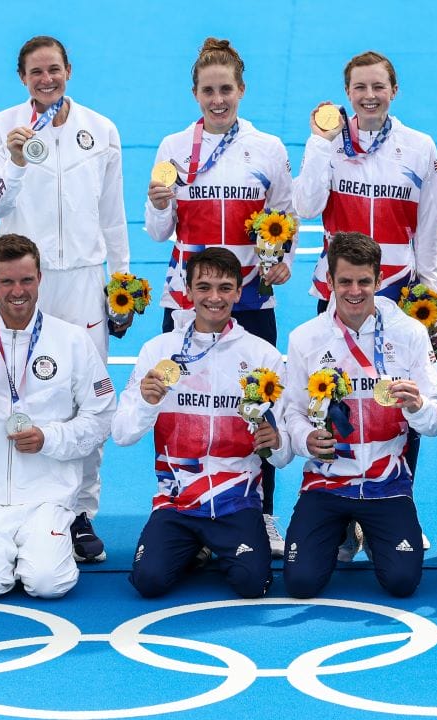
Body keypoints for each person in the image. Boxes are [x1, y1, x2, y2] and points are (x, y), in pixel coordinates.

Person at [0, 35, 130, 561]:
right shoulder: (1, 128)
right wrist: (17, 161)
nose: (47, 80)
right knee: (8, 389)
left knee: (88, 394)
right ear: (22, 78)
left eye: (55, 70)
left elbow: (112, 213)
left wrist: (122, 280)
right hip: (25, 281)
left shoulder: (100, 129)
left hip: (85, 280)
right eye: (36, 72)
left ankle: (81, 511)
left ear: (69, 70)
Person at [144, 37, 294, 557]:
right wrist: (161, 205)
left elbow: (285, 218)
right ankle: (177, 502)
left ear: (242, 89)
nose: (218, 100)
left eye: (226, 89)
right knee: (179, 406)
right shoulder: (171, 149)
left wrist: (282, 262)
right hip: (186, 302)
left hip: (252, 300)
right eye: (208, 91)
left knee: (259, 409)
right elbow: (157, 231)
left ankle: (263, 512)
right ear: (194, 93)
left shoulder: (268, 149)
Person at [293, 51, 437, 552]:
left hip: (399, 288)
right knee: (329, 399)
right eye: (359, 87)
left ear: (393, 90)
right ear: (347, 92)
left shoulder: (419, 147)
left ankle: (397, 501)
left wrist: (432, 297)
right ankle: (338, 511)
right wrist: (319, 141)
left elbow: (429, 229)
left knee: (402, 401)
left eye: (378, 86)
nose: (369, 95)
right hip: (341, 288)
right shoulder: (329, 143)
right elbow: (307, 204)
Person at [0, 234, 115, 600]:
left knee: (49, 585)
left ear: (39, 278)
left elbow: (101, 415)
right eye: (7, 282)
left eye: (26, 280)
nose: (18, 291)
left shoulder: (72, 341)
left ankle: (43, 540)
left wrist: (49, 438)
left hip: (47, 493)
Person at [113, 248, 292, 598]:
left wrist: (276, 442)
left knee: (252, 584)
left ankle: (209, 547)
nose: (214, 297)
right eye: (204, 287)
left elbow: (282, 457)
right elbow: (122, 434)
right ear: (188, 290)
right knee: (148, 582)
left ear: (239, 293)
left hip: (237, 501)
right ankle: (197, 545)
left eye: (225, 288)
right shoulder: (158, 350)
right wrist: (149, 405)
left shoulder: (263, 356)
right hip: (176, 501)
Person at [281, 232, 437, 598]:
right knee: (301, 583)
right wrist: (304, 439)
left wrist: (417, 407)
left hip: (387, 484)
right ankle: (344, 529)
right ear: (329, 282)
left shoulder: (410, 333)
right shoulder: (304, 339)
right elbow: (292, 411)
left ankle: (370, 530)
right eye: (344, 281)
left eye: (364, 281)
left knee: (402, 582)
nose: (354, 291)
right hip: (326, 482)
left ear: (380, 280)